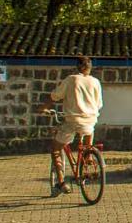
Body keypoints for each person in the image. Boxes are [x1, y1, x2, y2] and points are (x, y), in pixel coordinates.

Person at [38, 56, 103, 194]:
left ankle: (61, 183)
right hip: (90, 120)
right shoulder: (96, 82)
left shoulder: (71, 79)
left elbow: (54, 96)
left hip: (73, 120)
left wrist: (43, 108)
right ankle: (88, 156)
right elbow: (99, 104)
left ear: (77, 67)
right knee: (88, 132)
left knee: (56, 149)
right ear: (90, 67)